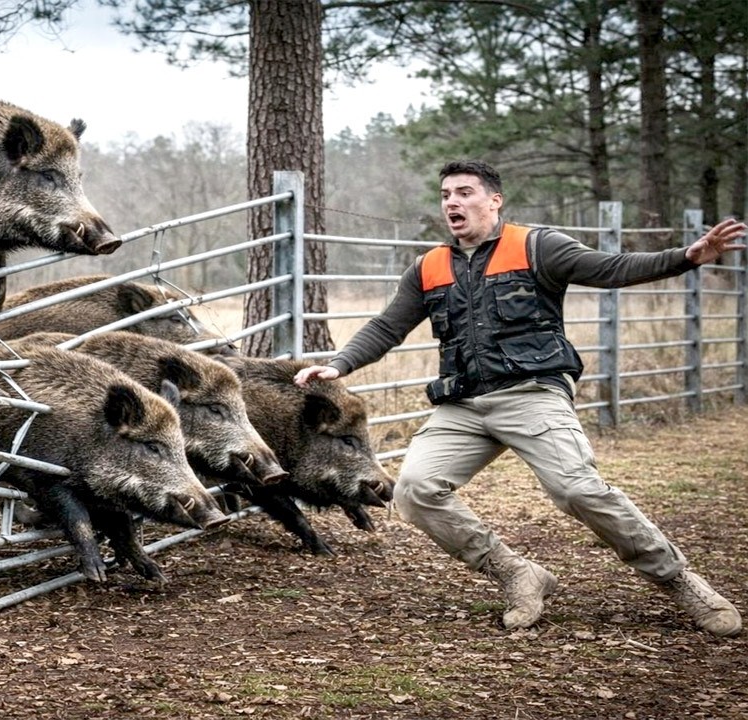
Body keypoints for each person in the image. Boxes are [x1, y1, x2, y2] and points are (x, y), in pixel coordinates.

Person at [294, 159, 745, 637]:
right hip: (463, 404)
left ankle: (680, 581)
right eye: (446, 194)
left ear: (494, 200)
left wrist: (687, 257)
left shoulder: (536, 246)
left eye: (464, 192)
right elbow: (388, 326)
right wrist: (339, 364)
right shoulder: (429, 267)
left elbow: (611, 268)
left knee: (577, 489)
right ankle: (515, 572)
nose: (452, 202)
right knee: (415, 491)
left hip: (533, 393)